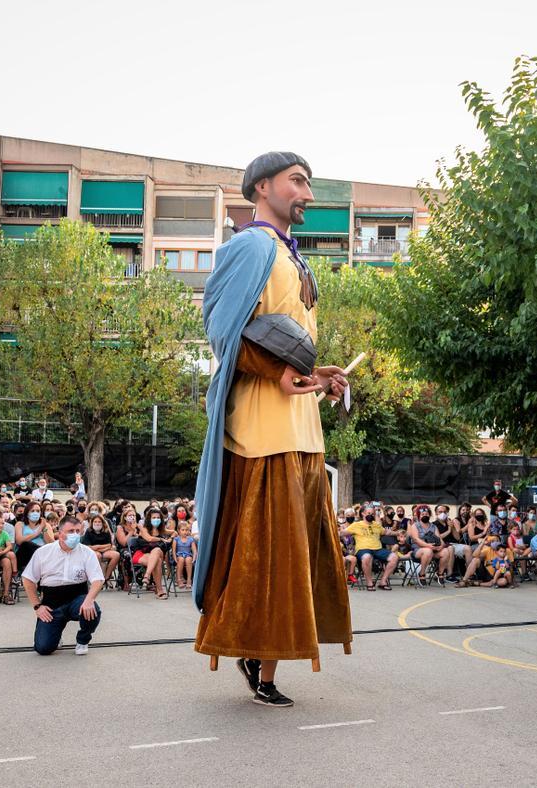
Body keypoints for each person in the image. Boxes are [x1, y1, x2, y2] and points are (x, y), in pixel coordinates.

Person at [192, 151, 352, 708]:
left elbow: (282, 340)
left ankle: (266, 658)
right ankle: (255, 656)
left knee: (295, 554)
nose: (307, 192)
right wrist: (276, 372)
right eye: (297, 181)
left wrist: (316, 371)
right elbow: (224, 333)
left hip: (303, 434)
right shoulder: (251, 246)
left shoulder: (292, 256)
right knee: (267, 554)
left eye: (308, 182)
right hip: (262, 434)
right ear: (262, 187)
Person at [22, 516, 104, 656]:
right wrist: (37, 606)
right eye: (71, 531)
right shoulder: (43, 552)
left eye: (78, 531)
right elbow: (28, 579)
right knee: (43, 648)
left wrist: (89, 600)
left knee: (93, 609)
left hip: (77, 599)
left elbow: (98, 580)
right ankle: (56, 634)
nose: (75, 535)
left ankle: (83, 640)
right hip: (52, 604)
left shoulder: (87, 552)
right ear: (60, 533)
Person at [340, 506, 397, 591]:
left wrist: (398, 533)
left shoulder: (376, 525)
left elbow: (386, 532)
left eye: (373, 514)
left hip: (378, 549)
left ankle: (383, 581)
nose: (371, 515)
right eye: (369, 513)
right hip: (363, 549)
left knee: (394, 557)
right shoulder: (356, 525)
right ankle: (369, 583)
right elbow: (342, 533)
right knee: (367, 557)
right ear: (363, 513)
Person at [82, 513, 120, 584]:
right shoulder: (88, 531)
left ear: (102, 523)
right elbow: (88, 547)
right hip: (93, 552)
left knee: (116, 555)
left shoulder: (106, 531)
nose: (97, 523)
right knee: (97, 555)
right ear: (92, 522)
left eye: (99, 522)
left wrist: (97, 547)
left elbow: (109, 545)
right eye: (95, 522)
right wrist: (101, 547)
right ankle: (98, 577)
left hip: (104, 551)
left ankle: (106, 577)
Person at [173, 522, 197, 590]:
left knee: (188, 559)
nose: (185, 532)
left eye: (186, 530)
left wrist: (194, 558)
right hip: (179, 555)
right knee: (181, 559)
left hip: (188, 554)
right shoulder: (176, 539)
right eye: (183, 530)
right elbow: (174, 550)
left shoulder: (190, 539)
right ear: (178, 530)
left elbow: (194, 550)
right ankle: (179, 579)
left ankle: (189, 579)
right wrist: (175, 558)